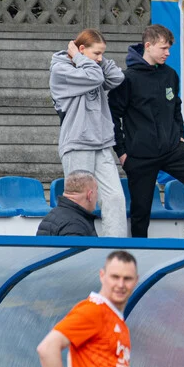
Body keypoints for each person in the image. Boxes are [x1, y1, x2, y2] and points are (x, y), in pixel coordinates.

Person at [108, 25, 184, 239]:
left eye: (169, 48)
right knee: (141, 210)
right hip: (140, 155)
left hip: (171, 149)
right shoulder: (127, 79)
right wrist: (121, 152)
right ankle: (138, 251)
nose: (168, 53)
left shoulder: (170, 75)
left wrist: (180, 137)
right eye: (163, 48)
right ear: (148, 46)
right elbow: (112, 116)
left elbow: (176, 108)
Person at [49, 29, 127, 237]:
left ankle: (115, 248)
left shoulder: (92, 67)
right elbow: (94, 77)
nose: (100, 59)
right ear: (81, 49)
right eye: (97, 53)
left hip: (101, 143)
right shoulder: (61, 70)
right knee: (80, 199)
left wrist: (93, 58)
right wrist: (80, 58)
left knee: (115, 198)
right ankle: (79, 244)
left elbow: (117, 77)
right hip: (78, 143)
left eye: (103, 54)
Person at [38, 170, 99, 237]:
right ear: (90, 195)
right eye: (96, 190)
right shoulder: (75, 226)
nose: (97, 196)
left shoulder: (51, 216)